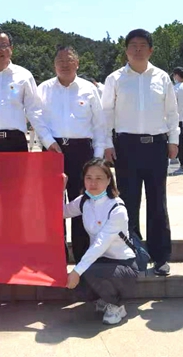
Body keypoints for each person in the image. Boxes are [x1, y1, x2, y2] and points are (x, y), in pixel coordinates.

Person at [101, 29, 179, 276]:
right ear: (126, 50)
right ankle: (132, 254)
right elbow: (106, 114)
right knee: (128, 202)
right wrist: (107, 143)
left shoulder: (162, 77)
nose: (138, 49)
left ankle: (160, 256)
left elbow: (172, 113)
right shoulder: (115, 79)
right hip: (126, 146)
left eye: (143, 45)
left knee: (158, 202)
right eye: (133, 45)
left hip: (156, 145)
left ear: (151, 50)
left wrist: (174, 140)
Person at [38, 46, 106, 263]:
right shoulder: (43, 89)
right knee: (53, 204)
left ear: (77, 63)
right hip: (53, 150)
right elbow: (36, 119)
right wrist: (48, 141)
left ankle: (82, 255)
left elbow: (99, 125)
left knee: (82, 202)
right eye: (60, 61)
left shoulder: (89, 89)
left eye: (69, 60)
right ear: (54, 64)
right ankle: (56, 255)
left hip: (82, 151)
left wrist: (97, 159)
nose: (64, 65)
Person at [64, 158, 138, 325]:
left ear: (109, 180)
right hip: (101, 262)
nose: (93, 183)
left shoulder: (117, 208)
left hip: (123, 265)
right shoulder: (84, 201)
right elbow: (61, 212)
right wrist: (60, 190)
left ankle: (117, 305)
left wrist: (77, 271)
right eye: (89, 178)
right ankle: (104, 299)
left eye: (99, 178)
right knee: (78, 287)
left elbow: (100, 244)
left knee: (86, 271)